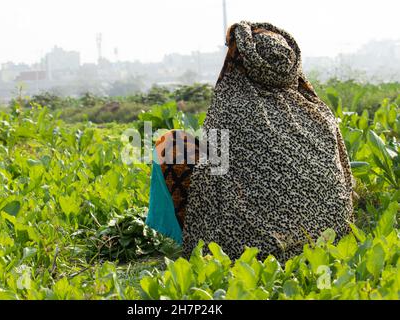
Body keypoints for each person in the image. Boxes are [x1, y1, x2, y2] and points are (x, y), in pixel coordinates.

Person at [146, 21, 354, 262]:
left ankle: (184, 240)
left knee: (170, 145)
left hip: (253, 247)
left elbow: (212, 175)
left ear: (239, 60)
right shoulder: (318, 111)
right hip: (330, 238)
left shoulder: (232, 106)